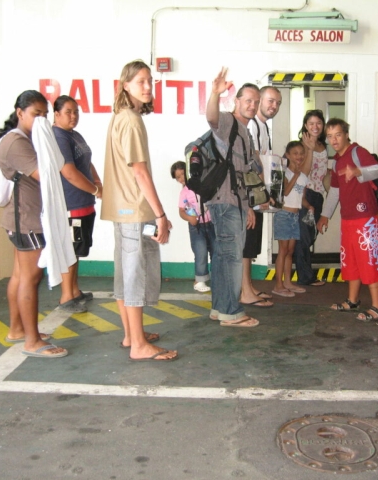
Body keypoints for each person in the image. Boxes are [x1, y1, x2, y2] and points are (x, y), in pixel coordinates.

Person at [100, 60, 178, 361]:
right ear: (126, 85)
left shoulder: (120, 116)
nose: (147, 87)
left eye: (150, 81)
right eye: (141, 81)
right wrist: (160, 215)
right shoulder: (131, 120)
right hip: (134, 209)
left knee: (124, 274)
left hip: (122, 211)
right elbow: (140, 173)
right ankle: (139, 347)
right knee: (135, 276)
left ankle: (132, 336)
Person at [0, 90, 67, 358]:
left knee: (19, 276)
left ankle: (17, 330)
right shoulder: (17, 143)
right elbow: (44, 174)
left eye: (45, 115)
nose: (42, 120)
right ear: (20, 113)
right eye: (37, 114)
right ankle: (32, 341)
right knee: (30, 278)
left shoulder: (25, 138)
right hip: (26, 220)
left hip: (22, 217)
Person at [317, 118, 378, 322]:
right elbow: (334, 191)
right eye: (330, 136)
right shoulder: (337, 161)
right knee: (351, 261)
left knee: (369, 261)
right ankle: (352, 300)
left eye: (338, 135)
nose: (334, 140)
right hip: (347, 219)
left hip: (365, 219)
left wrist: (358, 171)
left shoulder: (358, 152)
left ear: (346, 134)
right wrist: (325, 215)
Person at [206, 67, 260, 327]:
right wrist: (215, 93)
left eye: (256, 102)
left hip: (233, 202)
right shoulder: (228, 121)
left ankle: (219, 308)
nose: (252, 105)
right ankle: (231, 312)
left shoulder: (246, 133)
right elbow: (211, 118)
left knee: (221, 257)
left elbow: (245, 174)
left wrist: (248, 206)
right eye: (248, 100)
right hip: (225, 201)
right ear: (237, 101)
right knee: (231, 258)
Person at [52, 95, 103, 313]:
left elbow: (86, 162)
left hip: (84, 203)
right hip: (71, 203)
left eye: (76, 112)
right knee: (70, 251)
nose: (73, 116)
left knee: (77, 250)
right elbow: (69, 172)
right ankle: (66, 297)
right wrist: (95, 190)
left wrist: (97, 182)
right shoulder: (59, 137)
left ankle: (74, 291)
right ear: (56, 114)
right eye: (68, 112)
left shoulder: (74, 135)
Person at [241, 86, 282, 308]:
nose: (274, 106)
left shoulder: (263, 127)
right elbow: (254, 161)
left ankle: (249, 287)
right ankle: (245, 291)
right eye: (270, 101)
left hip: (258, 195)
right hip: (251, 195)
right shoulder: (252, 126)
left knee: (251, 244)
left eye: (278, 103)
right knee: (246, 245)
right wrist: (261, 194)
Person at [295, 110, 331, 287]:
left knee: (310, 236)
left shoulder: (323, 145)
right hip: (305, 194)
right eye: (311, 123)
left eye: (319, 123)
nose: (315, 127)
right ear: (305, 126)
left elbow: (323, 173)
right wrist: (309, 149)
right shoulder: (301, 146)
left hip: (318, 195)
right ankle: (305, 276)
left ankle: (305, 273)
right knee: (304, 237)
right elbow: (303, 173)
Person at [272, 141, 312, 297]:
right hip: (283, 215)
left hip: (295, 216)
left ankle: (288, 282)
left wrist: (309, 206)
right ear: (288, 155)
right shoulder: (284, 173)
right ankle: (278, 285)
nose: (299, 156)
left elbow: (301, 197)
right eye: (295, 153)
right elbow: (286, 192)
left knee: (290, 251)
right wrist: (295, 174)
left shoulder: (303, 176)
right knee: (283, 251)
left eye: (301, 153)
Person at [170, 160, 215, 292]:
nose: (181, 179)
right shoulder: (184, 192)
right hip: (196, 227)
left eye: (182, 174)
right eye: (178, 177)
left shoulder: (202, 184)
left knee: (216, 250)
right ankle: (199, 281)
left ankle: (217, 276)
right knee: (200, 252)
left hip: (211, 223)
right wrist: (190, 218)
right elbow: (181, 211)